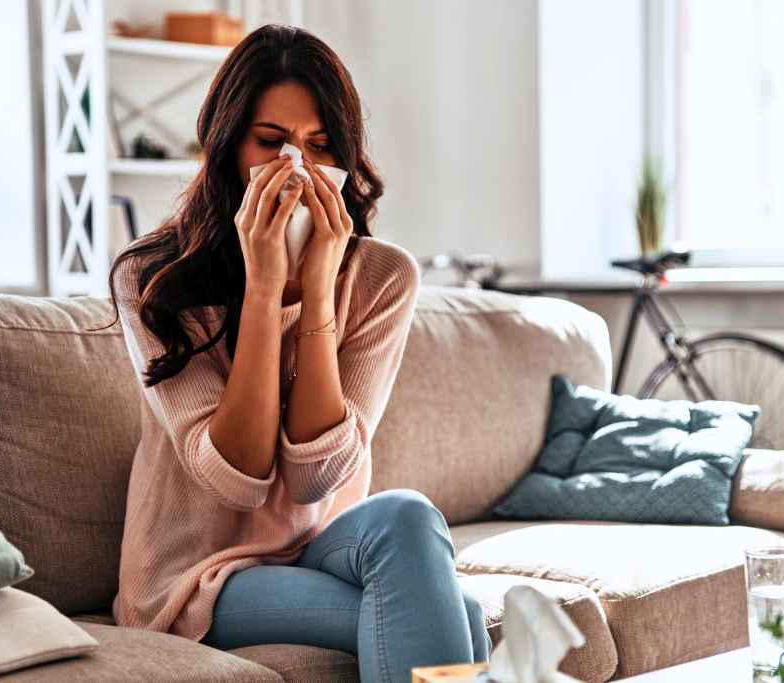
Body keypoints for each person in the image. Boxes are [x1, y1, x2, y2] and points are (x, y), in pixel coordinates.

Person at [95, 23, 491, 683]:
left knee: (410, 515)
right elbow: (237, 475)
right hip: (200, 576)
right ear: (226, 149)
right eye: (272, 143)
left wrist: (317, 289)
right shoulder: (151, 278)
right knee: (463, 619)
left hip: (314, 548)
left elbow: (314, 479)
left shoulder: (382, 277)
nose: (298, 169)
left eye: (320, 146)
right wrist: (263, 285)